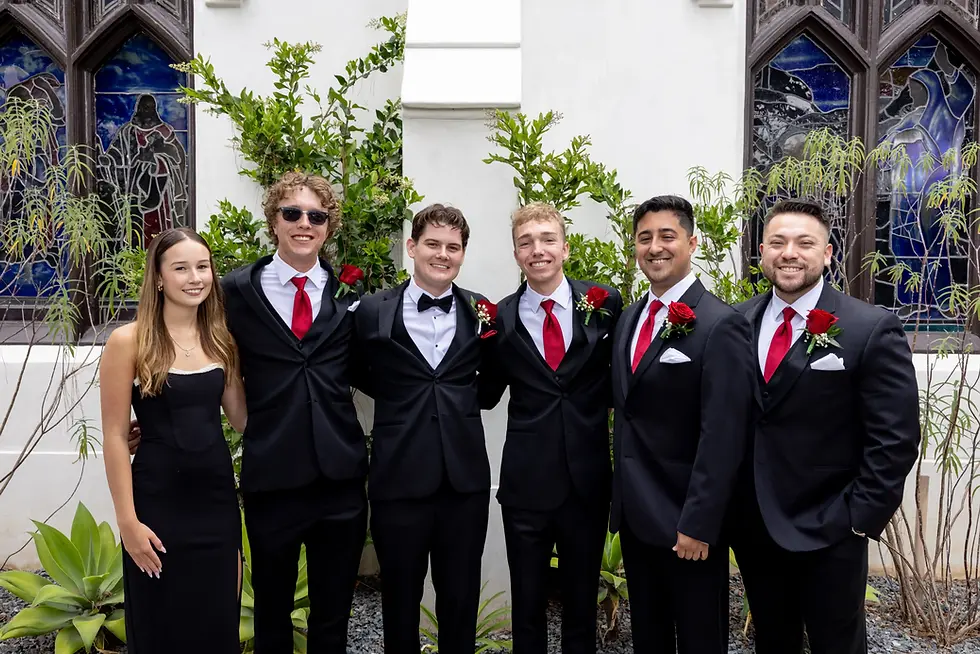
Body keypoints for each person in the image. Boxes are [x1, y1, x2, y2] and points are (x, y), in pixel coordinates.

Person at [731, 198, 920, 654]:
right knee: (772, 643)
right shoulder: (736, 323)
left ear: (828, 253)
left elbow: (895, 438)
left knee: (838, 644)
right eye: (777, 242)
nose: (789, 253)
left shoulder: (869, 328)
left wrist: (858, 519)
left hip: (832, 528)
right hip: (756, 527)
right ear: (762, 252)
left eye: (804, 243)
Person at [221, 172, 368, 652]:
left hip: (340, 481)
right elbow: (207, 361)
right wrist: (154, 421)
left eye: (317, 216)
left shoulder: (351, 294)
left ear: (329, 226)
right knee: (271, 615)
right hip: (273, 479)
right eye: (293, 213)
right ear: (274, 220)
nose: (305, 223)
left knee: (333, 617)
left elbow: (380, 369)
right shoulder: (236, 291)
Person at [608, 195, 754, 654]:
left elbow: (724, 433)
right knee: (648, 637)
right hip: (637, 515)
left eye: (667, 236)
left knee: (699, 640)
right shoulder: (630, 317)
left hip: (686, 525)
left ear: (691, 243)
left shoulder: (720, 324)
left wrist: (699, 523)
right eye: (644, 237)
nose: (655, 247)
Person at [479, 202, 623, 654]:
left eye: (546, 240)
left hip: (587, 480)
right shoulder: (498, 318)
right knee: (527, 601)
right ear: (516, 252)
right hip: (526, 483)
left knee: (581, 600)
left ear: (564, 246)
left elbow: (623, 380)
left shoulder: (604, 304)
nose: (537, 250)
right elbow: (485, 394)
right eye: (526, 242)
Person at [351, 204, 491, 654]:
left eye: (453, 247)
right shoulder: (372, 310)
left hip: (464, 484)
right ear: (412, 247)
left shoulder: (482, 312)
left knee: (460, 598)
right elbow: (357, 371)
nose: (442, 254)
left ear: (463, 254)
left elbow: (488, 386)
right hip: (398, 479)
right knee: (398, 598)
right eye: (433, 244)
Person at [100, 227, 247, 654]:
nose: (194, 277)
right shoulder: (129, 341)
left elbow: (242, 420)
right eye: (180, 268)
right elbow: (113, 435)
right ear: (159, 277)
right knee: (160, 625)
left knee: (217, 625)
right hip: (158, 504)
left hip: (217, 504)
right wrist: (128, 522)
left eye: (202, 267)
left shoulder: (223, 342)